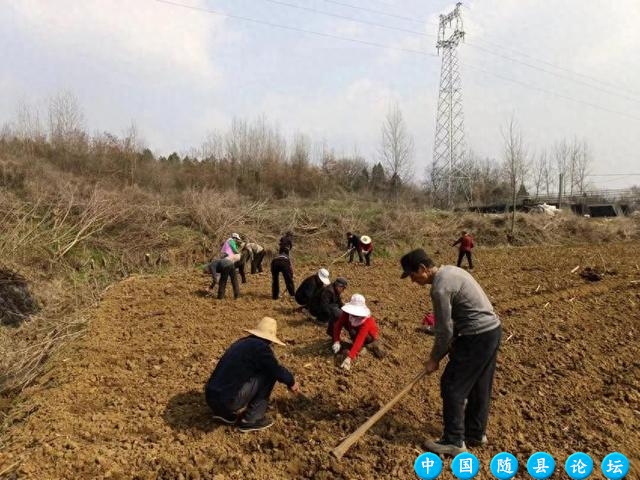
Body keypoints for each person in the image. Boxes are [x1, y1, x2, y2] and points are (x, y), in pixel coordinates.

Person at [400, 248, 502, 455]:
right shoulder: (452, 271)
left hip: (475, 336)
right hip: (492, 330)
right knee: (479, 385)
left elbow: (444, 331)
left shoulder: (439, 288)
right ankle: (475, 433)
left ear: (422, 269)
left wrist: (434, 359)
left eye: (412, 275)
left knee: (452, 385)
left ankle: (454, 440)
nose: (413, 281)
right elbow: (454, 325)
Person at [204, 317, 299, 432]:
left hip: (211, 398)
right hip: (228, 401)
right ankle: (252, 419)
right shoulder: (261, 348)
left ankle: (225, 414)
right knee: (269, 374)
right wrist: (291, 382)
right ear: (270, 339)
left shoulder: (241, 343)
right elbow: (275, 369)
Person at [331, 293, 385, 370]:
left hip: (369, 337)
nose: (353, 314)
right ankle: (355, 347)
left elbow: (360, 339)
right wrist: (336, 341)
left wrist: (350, 357)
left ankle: (366, 346)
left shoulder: (366, 321)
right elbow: (338, 325)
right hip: (354, 329)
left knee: (357, 336)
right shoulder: (347, 313)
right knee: (351, 330)